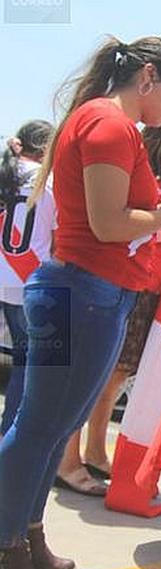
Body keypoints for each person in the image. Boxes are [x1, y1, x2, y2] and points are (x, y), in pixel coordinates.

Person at [0, 36, 161, 569]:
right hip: (82, 292)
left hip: (81, 290)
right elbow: (111, 224)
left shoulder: (106, 124)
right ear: (148, 77)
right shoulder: (110, 126)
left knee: (49, 428)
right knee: (39, 428)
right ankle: (7, 548)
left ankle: (25, 537)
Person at [55, 115, 161, 494]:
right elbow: (139, 226)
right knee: (93, 380)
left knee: (110, 381)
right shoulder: (143, 181)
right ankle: (68, 461)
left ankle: (91, 452)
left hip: (145, 290)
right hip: (127, 287)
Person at [0, 120, 56, 436]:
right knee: (30, 367)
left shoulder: (4, 168)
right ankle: (8, 442)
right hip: (30, 283)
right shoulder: (51, 181)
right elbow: (60, 240)